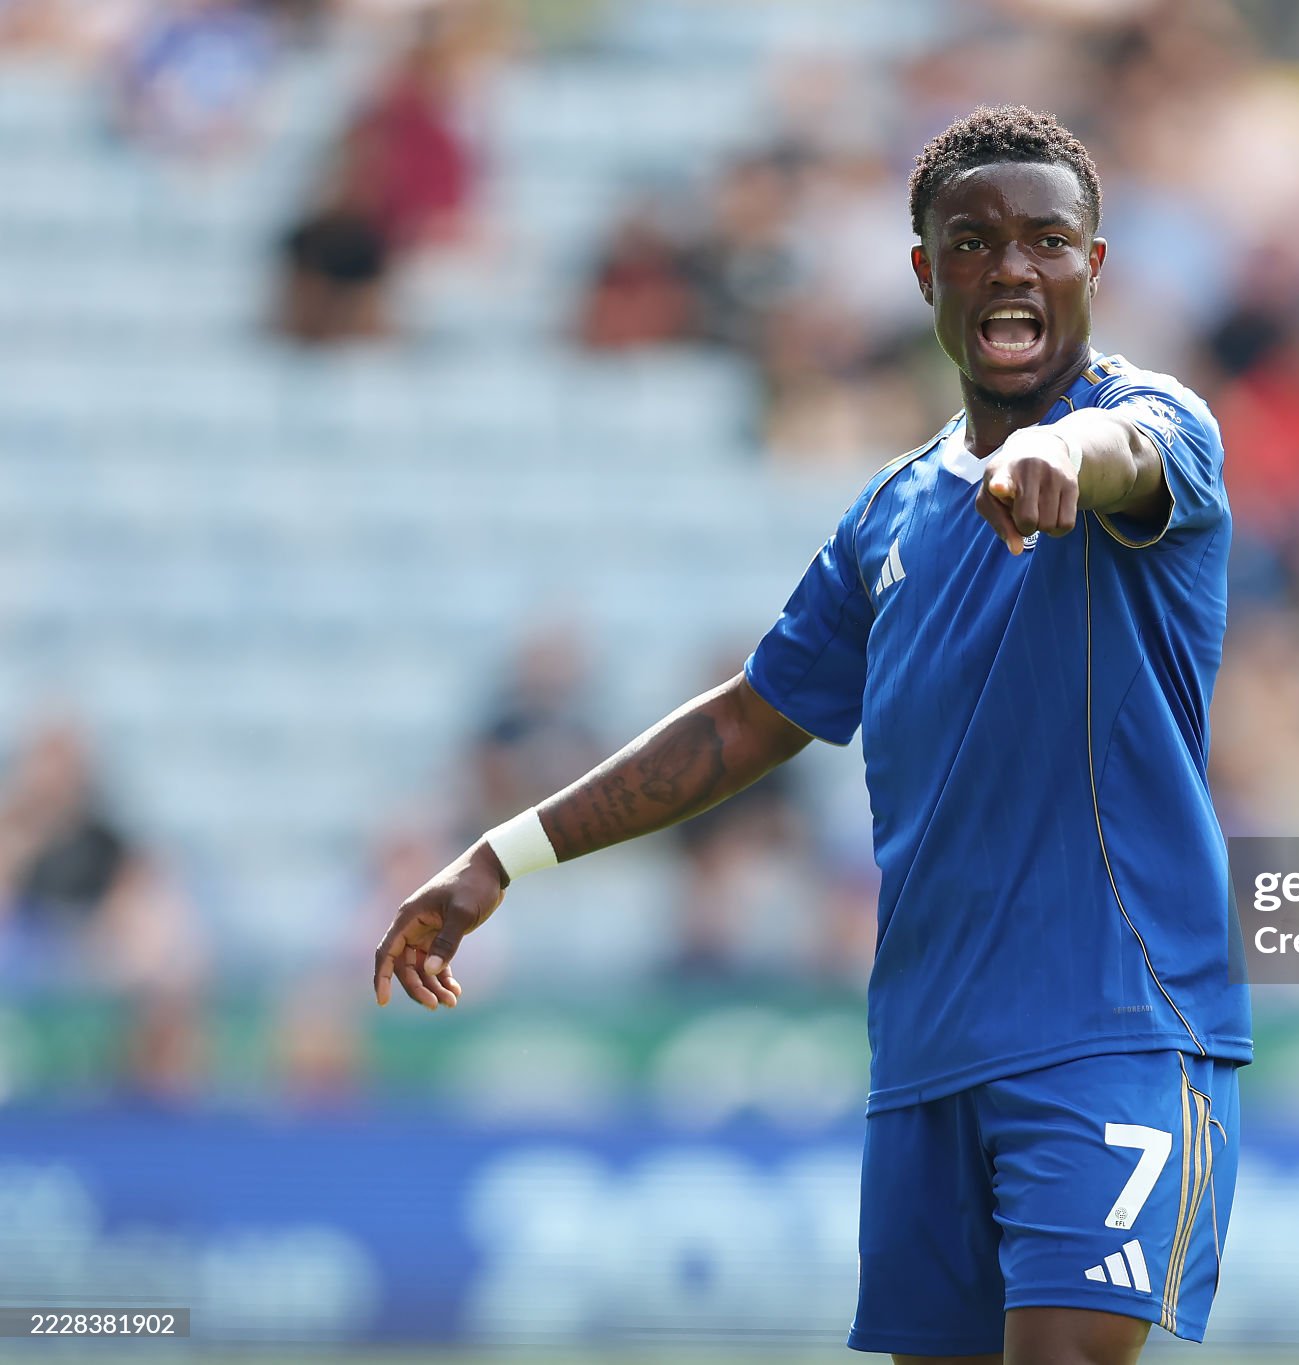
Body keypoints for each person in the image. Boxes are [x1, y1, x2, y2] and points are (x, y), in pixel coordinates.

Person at [373, 105, 1250, 1363]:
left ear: (1092, 266)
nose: (1012, 267)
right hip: (929, 1049)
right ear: (924, 273)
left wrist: (1064, 447)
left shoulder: (1157, 422)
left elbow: (1123, 450)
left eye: (1047, 242)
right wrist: (501, 855)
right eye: (973, 242)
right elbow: (748, 720)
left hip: (1110, 1023)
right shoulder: (890, 512)